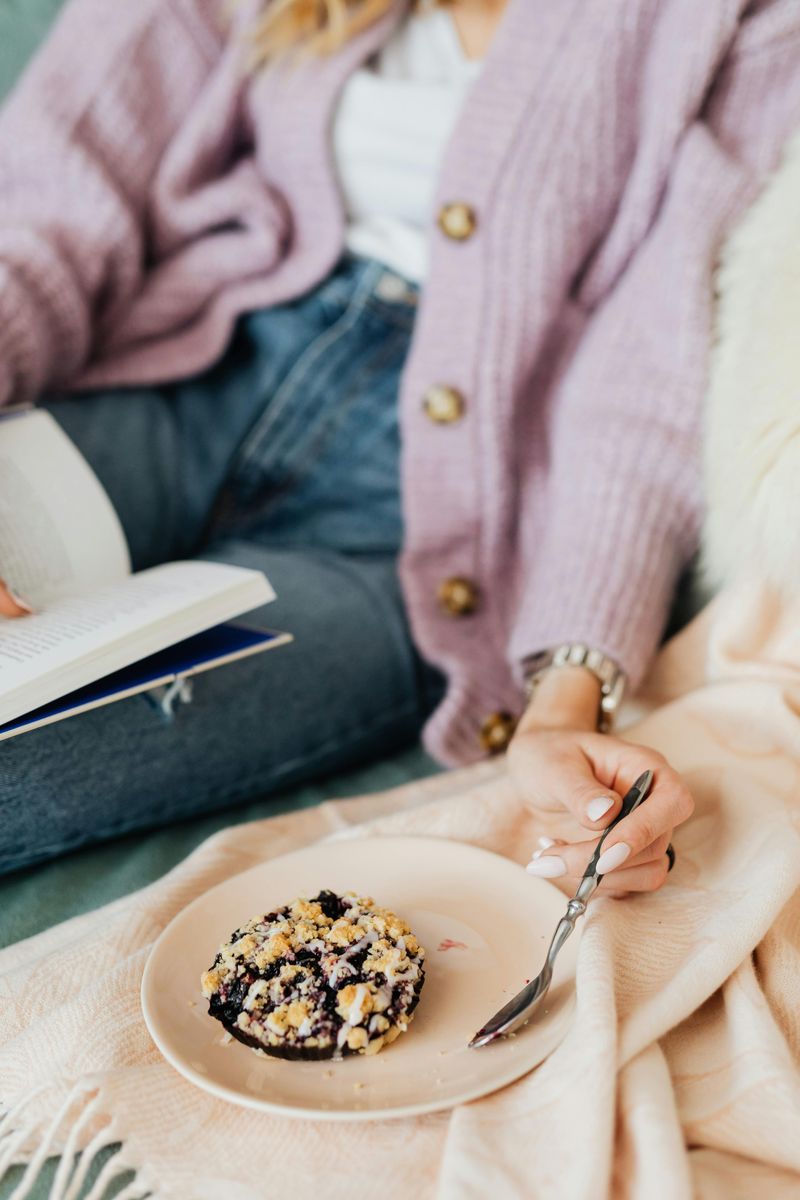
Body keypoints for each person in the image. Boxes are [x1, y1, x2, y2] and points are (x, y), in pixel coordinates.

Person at [0, 0, 797, 884]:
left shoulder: (734, 19)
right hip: (180, 382)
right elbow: (45, 208)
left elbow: (651, 362)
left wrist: (569, 692)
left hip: (422, 531)